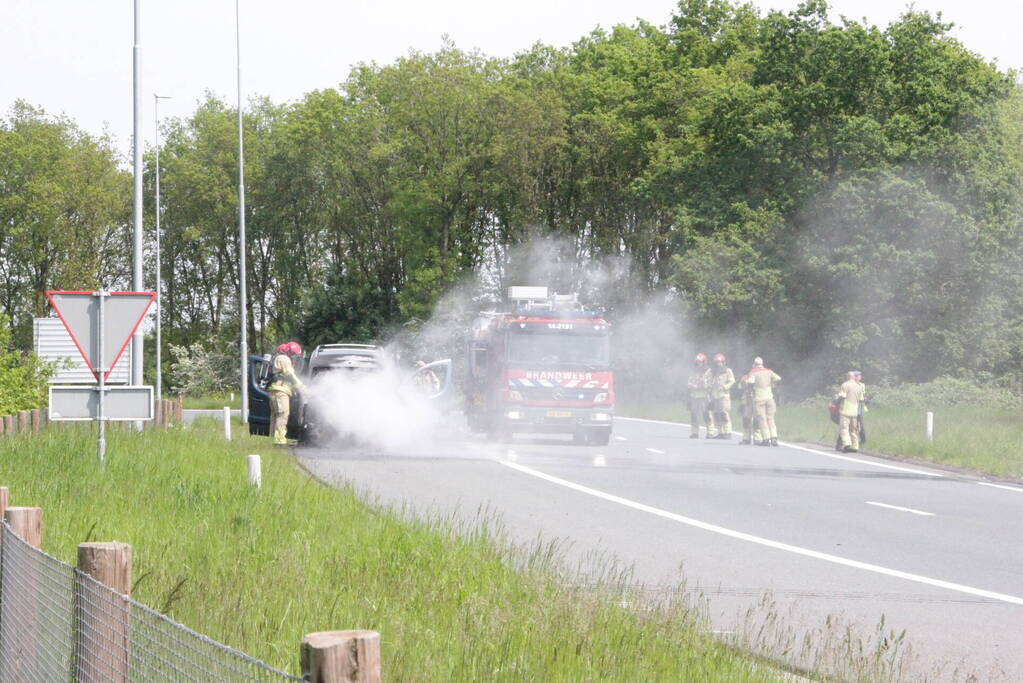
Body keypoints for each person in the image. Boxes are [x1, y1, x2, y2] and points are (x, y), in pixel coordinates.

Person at [269, 341, 304, 445]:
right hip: (280, 391)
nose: (294, 357)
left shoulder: (280, 357)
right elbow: (290, 374)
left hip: (276, 390)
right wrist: (301, 386)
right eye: (294, 354)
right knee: (282, 415)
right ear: (289, 352)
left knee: (276, 416)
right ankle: (279, 442)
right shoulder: (284, 358)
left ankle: (275, 440)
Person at [748, 357, 781, 446]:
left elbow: (750, 382)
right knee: (770, 418)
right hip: (770, 398)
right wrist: (772, 384)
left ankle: (766, 439)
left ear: (754, 364)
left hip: (759, 399)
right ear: (762, 363)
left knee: (762, 419)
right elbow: (778, 378)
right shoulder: (769, 371)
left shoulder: (753, 372)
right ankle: (774, 438)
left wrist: (751, 390)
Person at [837, 370, 866, 452]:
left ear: (847, 377)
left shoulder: (845, 385)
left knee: (844, 428)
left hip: (845, 410)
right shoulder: (859, 386)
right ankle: (855, 446)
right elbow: (861, 400)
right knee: (853, 430)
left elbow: (842, 396)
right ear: (854, 377)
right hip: (855, 412)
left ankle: (847, 443)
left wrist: (835, 403)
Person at [709, 353, 735, 439]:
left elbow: (732, 381)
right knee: (716, 414)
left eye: (719, 362)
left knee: (724, 414)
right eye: (716, 362)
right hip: (715, 396)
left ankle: (728, 432)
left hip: (724, 396)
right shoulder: (713, 372)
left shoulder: (727, 371)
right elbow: (710, 383)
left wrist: (724, 387)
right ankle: (721, 432)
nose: (718, 364)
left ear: (723, 362)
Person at [687, 353, 712, 438]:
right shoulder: (693, 371)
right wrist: (694, 386)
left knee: (707, 415)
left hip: (704, 396)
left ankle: (710, 432)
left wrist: (703, 385)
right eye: (697, 362)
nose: (698, 364)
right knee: (694, 414)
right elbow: (689, 382)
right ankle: (695, 432)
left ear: (704, 362)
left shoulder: (709, 371)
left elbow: (711, 384)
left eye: (700, 362)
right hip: (694, 396)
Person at [739, 370, 763, 445]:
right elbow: (740, 386)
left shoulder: (760, 379)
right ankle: (746, 438)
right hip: (747, 401)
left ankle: (757, 438)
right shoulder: (746, 378)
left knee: (756, 420)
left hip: (756, 401)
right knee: (746, 419)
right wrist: (744, 382)